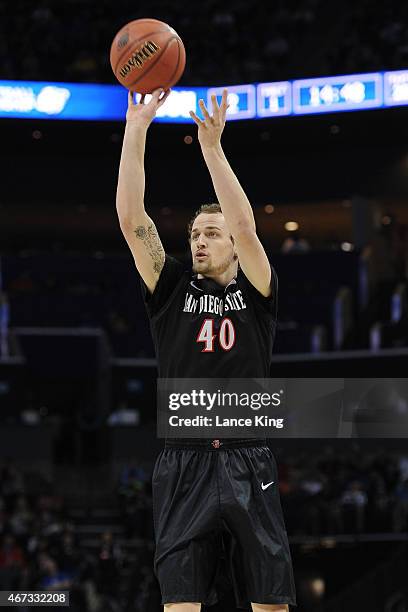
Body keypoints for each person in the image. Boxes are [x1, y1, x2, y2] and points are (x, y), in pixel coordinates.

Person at [116, 88, 296, 611]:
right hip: (184, 461)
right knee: (181, 605)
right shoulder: (171, 289)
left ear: (234, 248)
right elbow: (133, 221)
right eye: (195, 233)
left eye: (211, 234)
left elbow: (245, 226)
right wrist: (136, 127)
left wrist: (212, 148)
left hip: (248, 459)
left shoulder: (258, 290)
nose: (199, 240)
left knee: (270, 603)